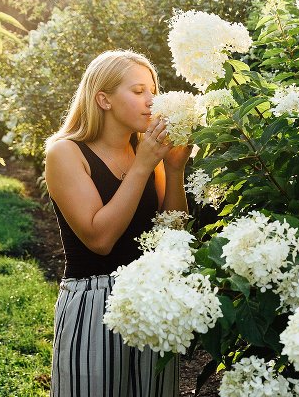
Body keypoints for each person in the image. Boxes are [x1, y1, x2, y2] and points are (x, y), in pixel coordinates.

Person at [44, 50, 190, 396]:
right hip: (94, 303)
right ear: (103, 99)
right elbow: (100, 239)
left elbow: (173, 237)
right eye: (138, 91)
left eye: (153, 91)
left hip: (152, 300)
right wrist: (143, 165)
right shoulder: (65, 153)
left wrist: (174, 169)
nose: (151, 101)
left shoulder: (148, 152)